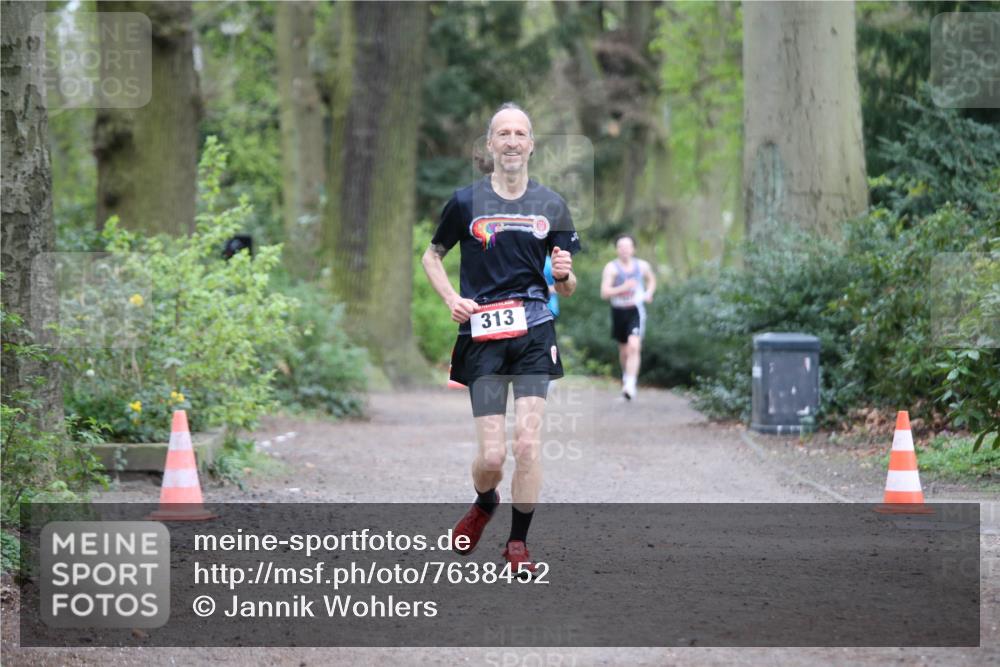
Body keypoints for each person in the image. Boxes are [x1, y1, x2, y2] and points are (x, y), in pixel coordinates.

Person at [421, 102, 580, 575]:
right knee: (493, 456)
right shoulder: (466, 202)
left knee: (527, 446)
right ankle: (485, 500)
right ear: (490, 145)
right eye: (503, 133)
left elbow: (568, 286)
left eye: (520, 133)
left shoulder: (552, 205)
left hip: (533, 330)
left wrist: (565, 277)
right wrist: (452, 297)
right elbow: (432, 256)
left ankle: (517, 546)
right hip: (483, 333)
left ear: (531, 145)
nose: (511, 140)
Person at [600, 235, 655, 400]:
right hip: (618, 311)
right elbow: (604, 293)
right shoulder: (612, 268)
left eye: (627, 246)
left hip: (635, 310)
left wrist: (649, 293)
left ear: (633, 249)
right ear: (617, 250)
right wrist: (623, 287)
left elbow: (651, 280)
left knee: (634, 346)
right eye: (620, 247)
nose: (624, 250)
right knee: (624, 351)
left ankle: (630, 385)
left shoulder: (642, 265)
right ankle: (626, 376)